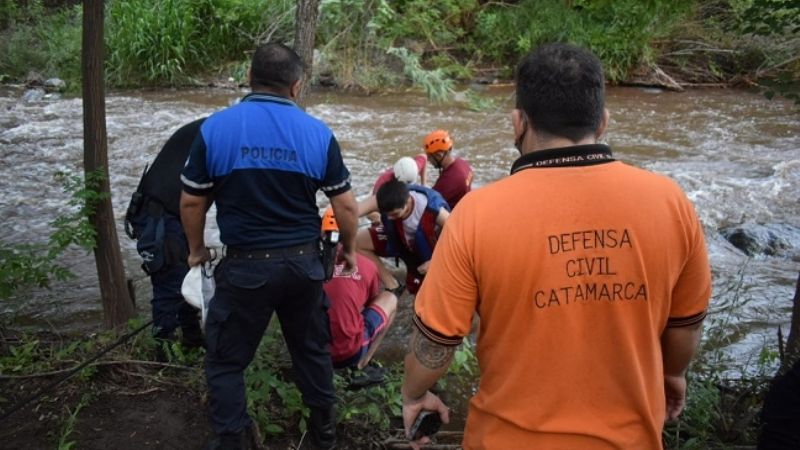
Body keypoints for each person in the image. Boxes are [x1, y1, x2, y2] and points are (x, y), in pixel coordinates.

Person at [401, 43, 712, 450]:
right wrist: (673, 375)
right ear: (602, 122)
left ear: (518, 122)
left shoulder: (476, 214)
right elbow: (685, 322)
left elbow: (437, 342)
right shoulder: (670, 203)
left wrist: (413, 393)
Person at [180, 43, 359, 450]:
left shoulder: (216, 128)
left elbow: (191, 201)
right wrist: (348, 248)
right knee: (311, 352)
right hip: (302, 266)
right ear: (297, 86)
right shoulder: (317, 133)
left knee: (226, 361)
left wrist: (196, 251)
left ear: (249, 77)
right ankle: (323, 435)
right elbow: (345, 204)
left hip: (245, 269)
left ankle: (233, 439)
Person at [124, 118, 206, 354]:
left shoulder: (215, 128)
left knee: (186, 277)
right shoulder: (220, 133)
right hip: (157, 216)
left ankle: (192, 342)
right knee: (170, 284)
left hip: (174, 213)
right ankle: (162, 354)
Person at [321, 208, 398, 374]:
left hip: (313, 352)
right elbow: (369, 303)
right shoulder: (366, 265)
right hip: (350, 352)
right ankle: (361, 365)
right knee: (390, 298)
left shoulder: (306, 264)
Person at [355, 179, 449, 296]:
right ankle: (392, 285)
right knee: (356, 242)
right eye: (386, 214)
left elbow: (460, 239)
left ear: (408, 201)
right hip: (398, 239)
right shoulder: (384, 198)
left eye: (394, 214)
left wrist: (435, 262)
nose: (389, 218)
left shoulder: (434, 211)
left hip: (428, 250)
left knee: (424, 297)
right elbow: (352, 211)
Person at [357, 154, 427, 224]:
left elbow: (424, 157)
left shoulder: (413, 168)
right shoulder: (383, 183)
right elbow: (375, 206)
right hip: (382, 195)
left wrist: (423, 185)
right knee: (376, 215)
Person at [423, 129, 473, 209]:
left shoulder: (449, 180)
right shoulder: (462, 163)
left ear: (439, 155)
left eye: (429, 157)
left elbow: (428, 203)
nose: (428, 160)